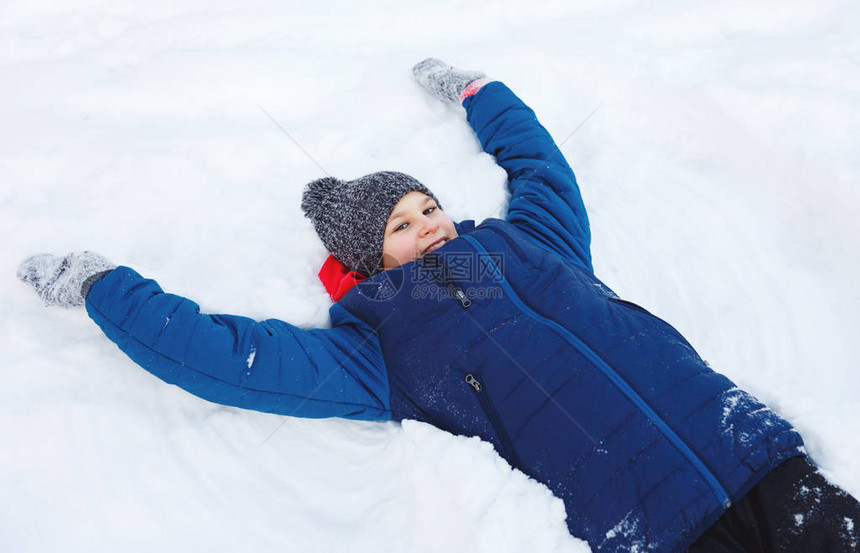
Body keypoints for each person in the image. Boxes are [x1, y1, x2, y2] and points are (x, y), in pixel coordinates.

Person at [17, 58, 860, 552]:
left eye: (428, 208)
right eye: (400, 224)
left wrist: (478, 92)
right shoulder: (377, 349)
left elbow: (542, 167)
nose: (427, 226)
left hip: (752, 450)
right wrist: (102, 285)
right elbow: (222, 357)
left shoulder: (533, 241)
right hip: (659, 529)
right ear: (364, 261)